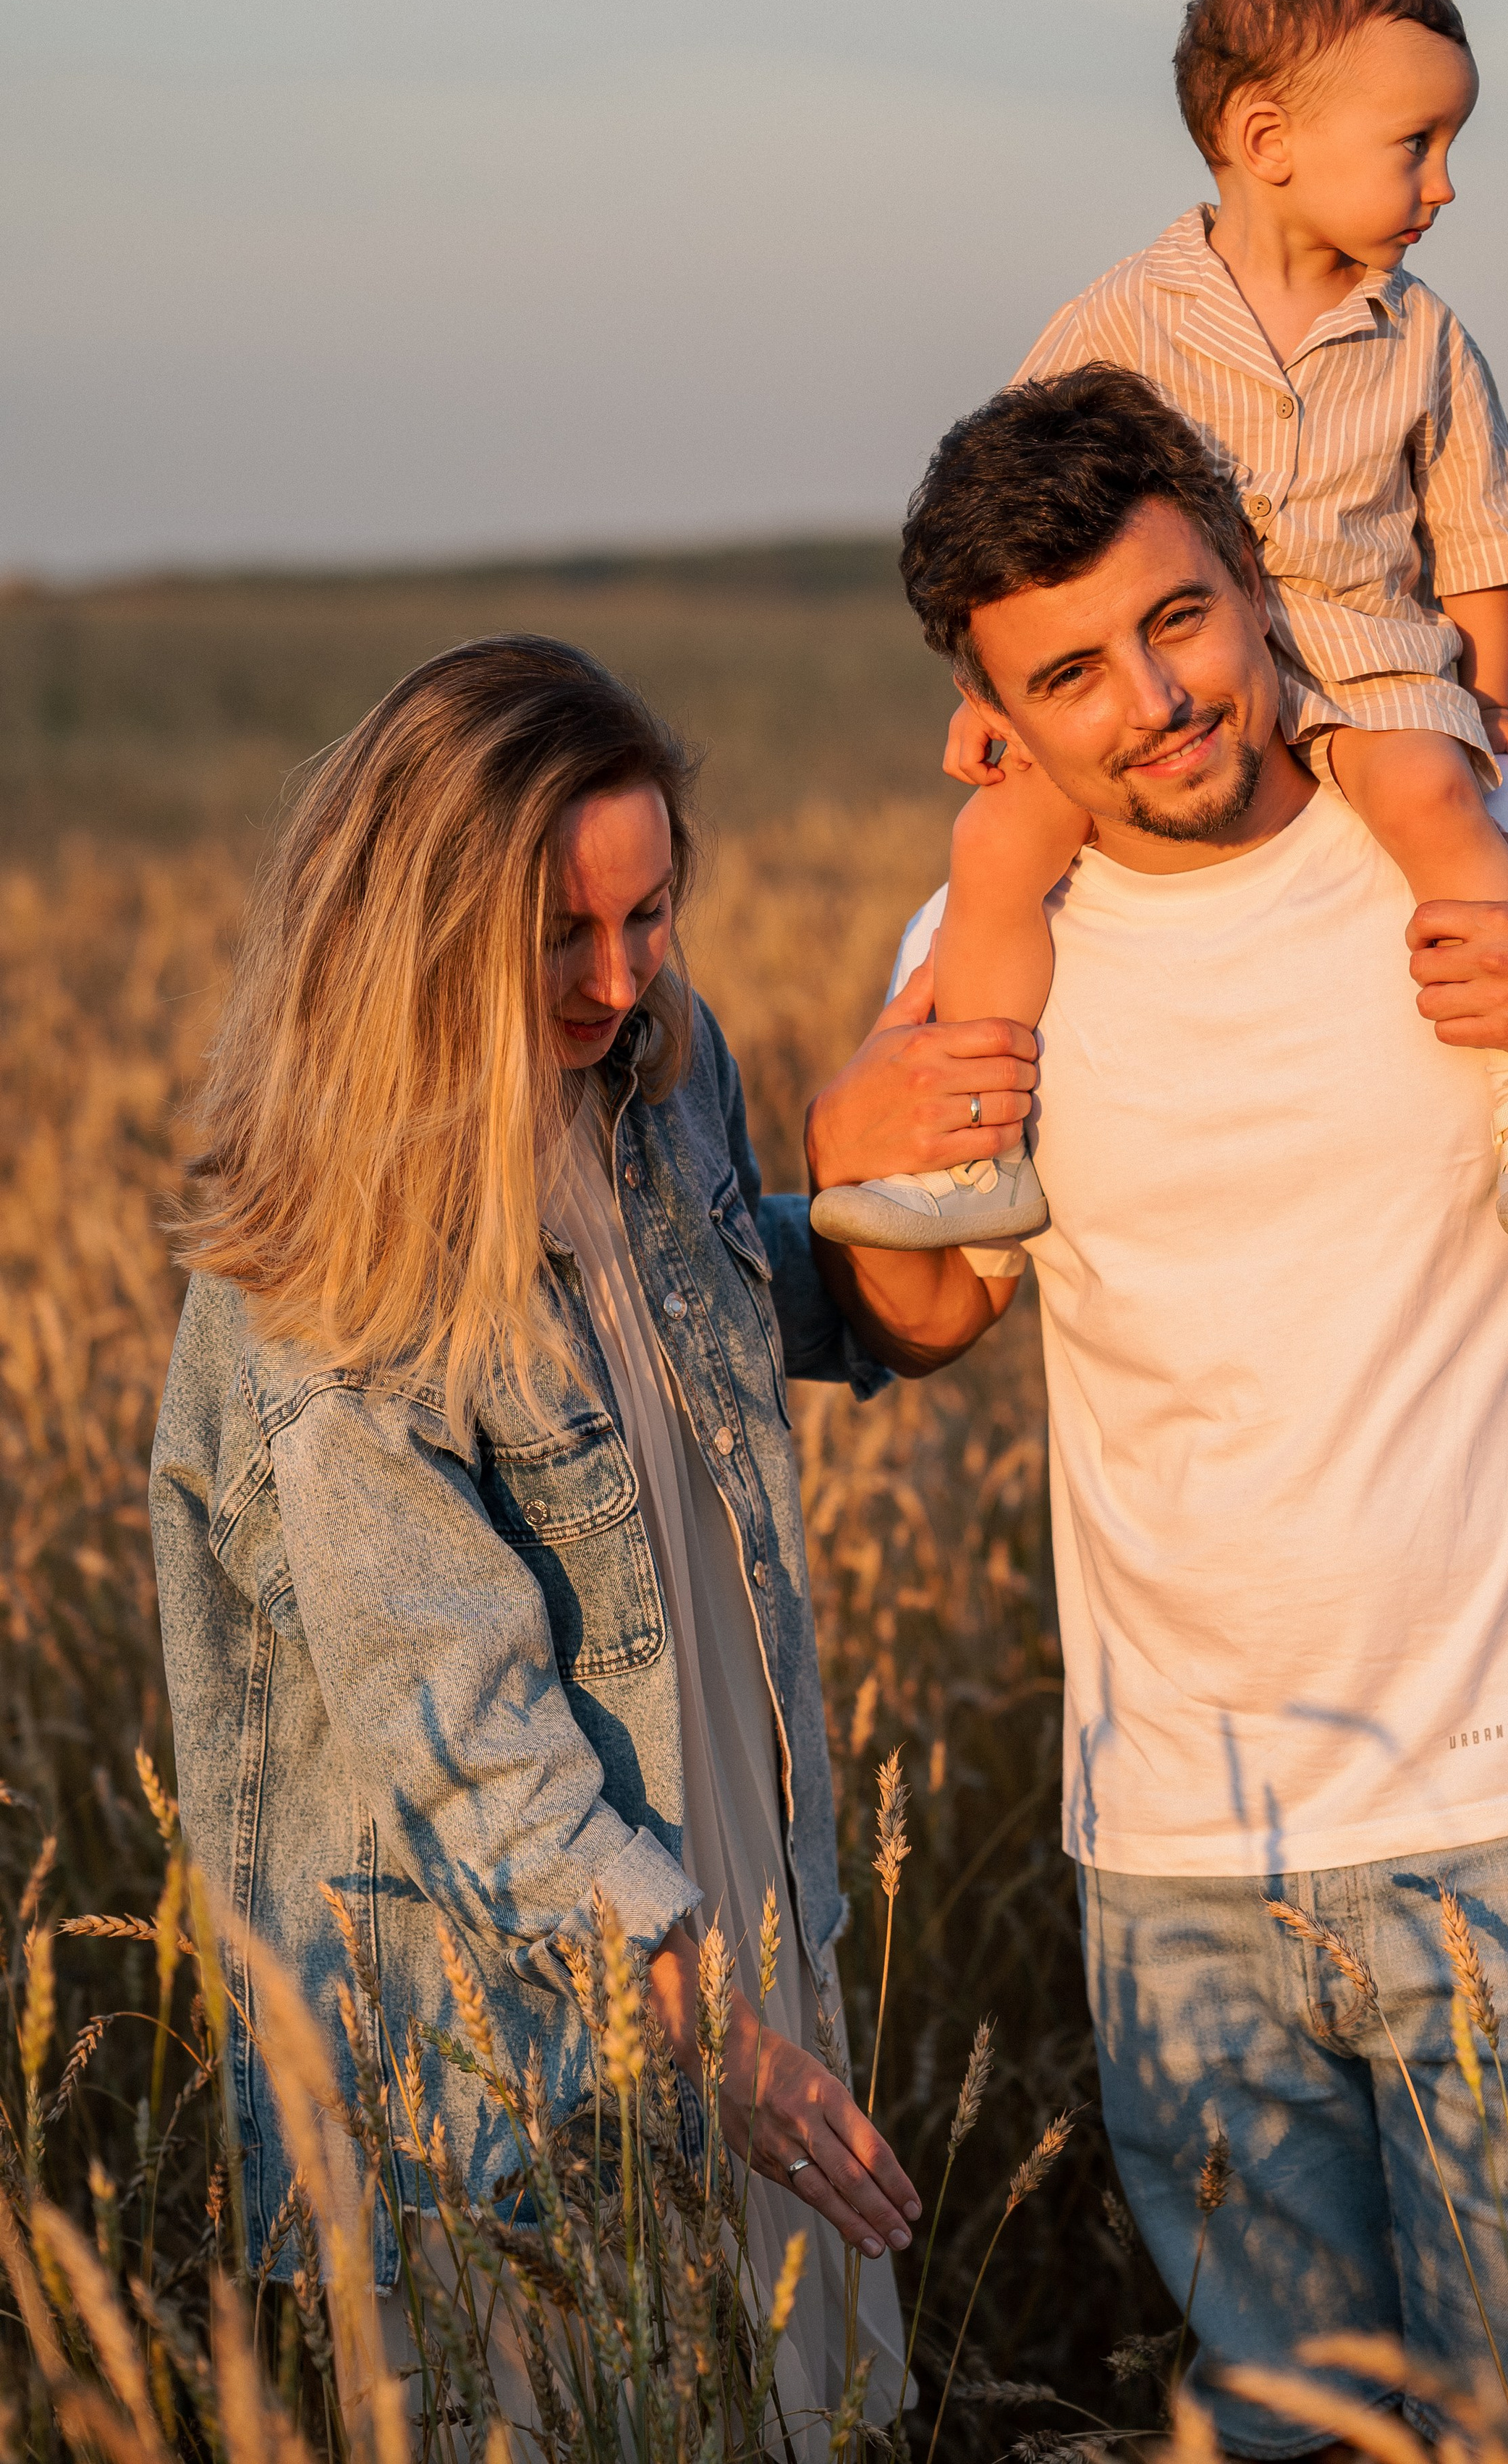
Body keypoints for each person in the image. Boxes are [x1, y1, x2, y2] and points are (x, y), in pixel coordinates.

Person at [800, 373, 1508, 2454]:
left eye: (1175, 619)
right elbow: (919, 1315)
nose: (1153, 702)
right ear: (992, 716)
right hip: (1177, 1868)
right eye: (1070, 675)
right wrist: (846, 1144)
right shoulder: (986, 943)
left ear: (1255, 580)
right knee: (1282, 2434)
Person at [148, 637, 920, 2452]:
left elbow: (702, 1320)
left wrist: (903, 1222)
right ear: (425, 927)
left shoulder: (657, 1069)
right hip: (499, 2023)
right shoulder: (337, 1242)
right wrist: (714, 2032)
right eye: (561, 933)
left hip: (730, 1883)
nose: (620, 975)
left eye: (650, 915)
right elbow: (459, 1729)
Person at [811, 0, 1508, 1257]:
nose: (1445, 184)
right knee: (995, 849)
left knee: (1436, 800)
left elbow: (1477, 541)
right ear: (1266, 140)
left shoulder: (1426, 337)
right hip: (1177, 665)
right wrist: (993, 699)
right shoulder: (1126, 314)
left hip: (1368, 660)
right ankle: (984, 1153)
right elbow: (1010, 521)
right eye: (1416, 143)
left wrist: (1485, 708)